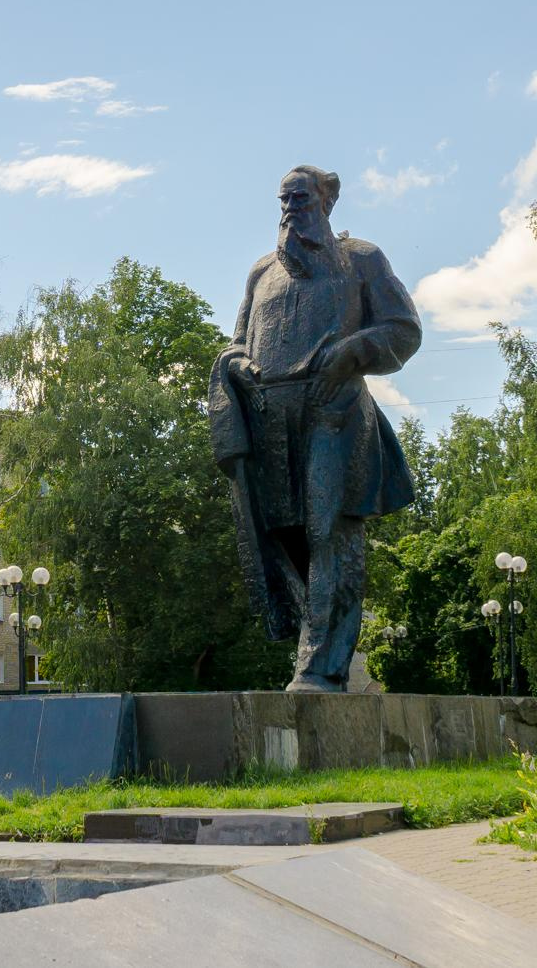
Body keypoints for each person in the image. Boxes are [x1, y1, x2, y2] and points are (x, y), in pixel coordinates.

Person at [208, 166, 422, 692]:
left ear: (326, 200)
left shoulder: (361, 260)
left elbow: (403, 329)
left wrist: (353, 350)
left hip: (335, 413)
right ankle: (327, 645)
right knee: (284, 536)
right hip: (271, 422)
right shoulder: (262, 273)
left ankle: (321, 668)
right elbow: (238, 341)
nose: (290, 208)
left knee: (329, 532)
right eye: (284, 200)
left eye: (300, 198)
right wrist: (234, 364)